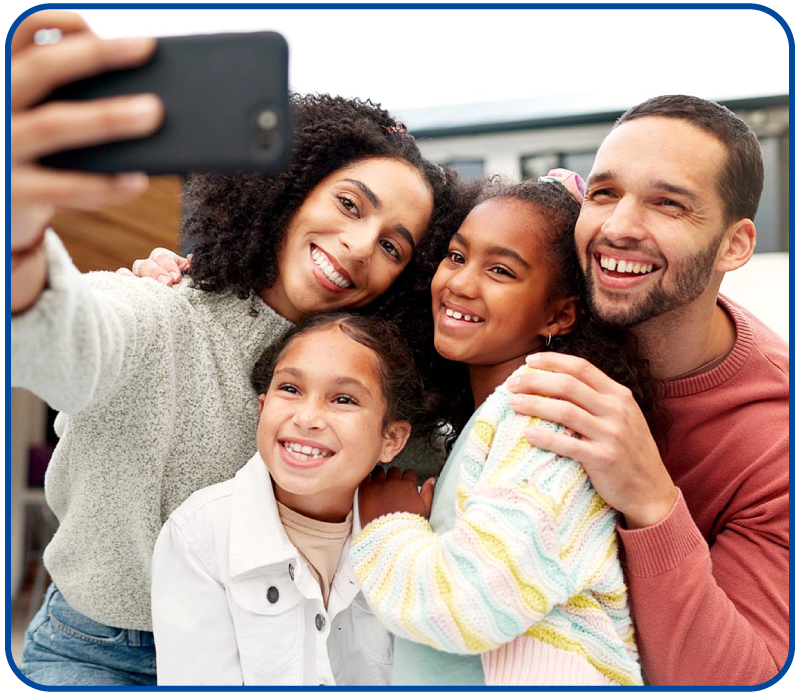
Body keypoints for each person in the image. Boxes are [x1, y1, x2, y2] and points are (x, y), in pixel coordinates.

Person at [10, 11, 467, 685]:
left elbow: (457, 465)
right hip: (100, 652)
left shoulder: (376, 381)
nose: (362, 243)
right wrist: (20, 239)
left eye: (394, 244)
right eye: (349, 204)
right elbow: (65, 340)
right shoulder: (160, 308)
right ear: (289, 189)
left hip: (271, 654)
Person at [506, 96, 789, 685]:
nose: (618, 227)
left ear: (734, 246)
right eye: (604, 193)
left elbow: (741, 676)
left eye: (668, 203)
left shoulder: (777, 442)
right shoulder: (540, 303)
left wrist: (652, 500)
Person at [350, 176, 663, 686]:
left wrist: (388, 524)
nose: (460, 283)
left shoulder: (547, 417)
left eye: (500, 270)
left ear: (560, 314)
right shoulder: (498, 413)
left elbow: (464, 606)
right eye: (455, 256)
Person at [152, 313, 428, 685]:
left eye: (343, 399)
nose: (308, 417)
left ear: (391, 439)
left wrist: (402, 538)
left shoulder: (410, 532)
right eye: (290, 389)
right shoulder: (200, 535)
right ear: (262, 407)